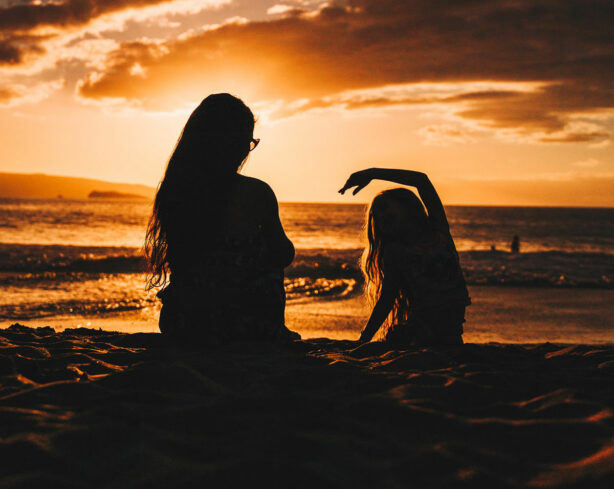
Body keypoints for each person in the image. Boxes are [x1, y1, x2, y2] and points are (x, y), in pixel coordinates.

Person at [145, 93, 300, 344]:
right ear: (232, 142)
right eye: (246, 141)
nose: (246, 150)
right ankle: (275, 330)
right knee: (268, 258)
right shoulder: (257, 193)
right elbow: (282, 253)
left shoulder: (175, 188)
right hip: (239, 326)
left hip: (181, 321)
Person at [339, 168, 470, 346]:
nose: (382, 216)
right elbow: (387, 297)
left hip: (450, 326)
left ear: (408, 206)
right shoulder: (395, 251)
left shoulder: (438, 231)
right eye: (377, 215)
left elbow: (421, 180)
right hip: (425, 327)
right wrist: (365, 338)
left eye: (385, 208)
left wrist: (372, 173)